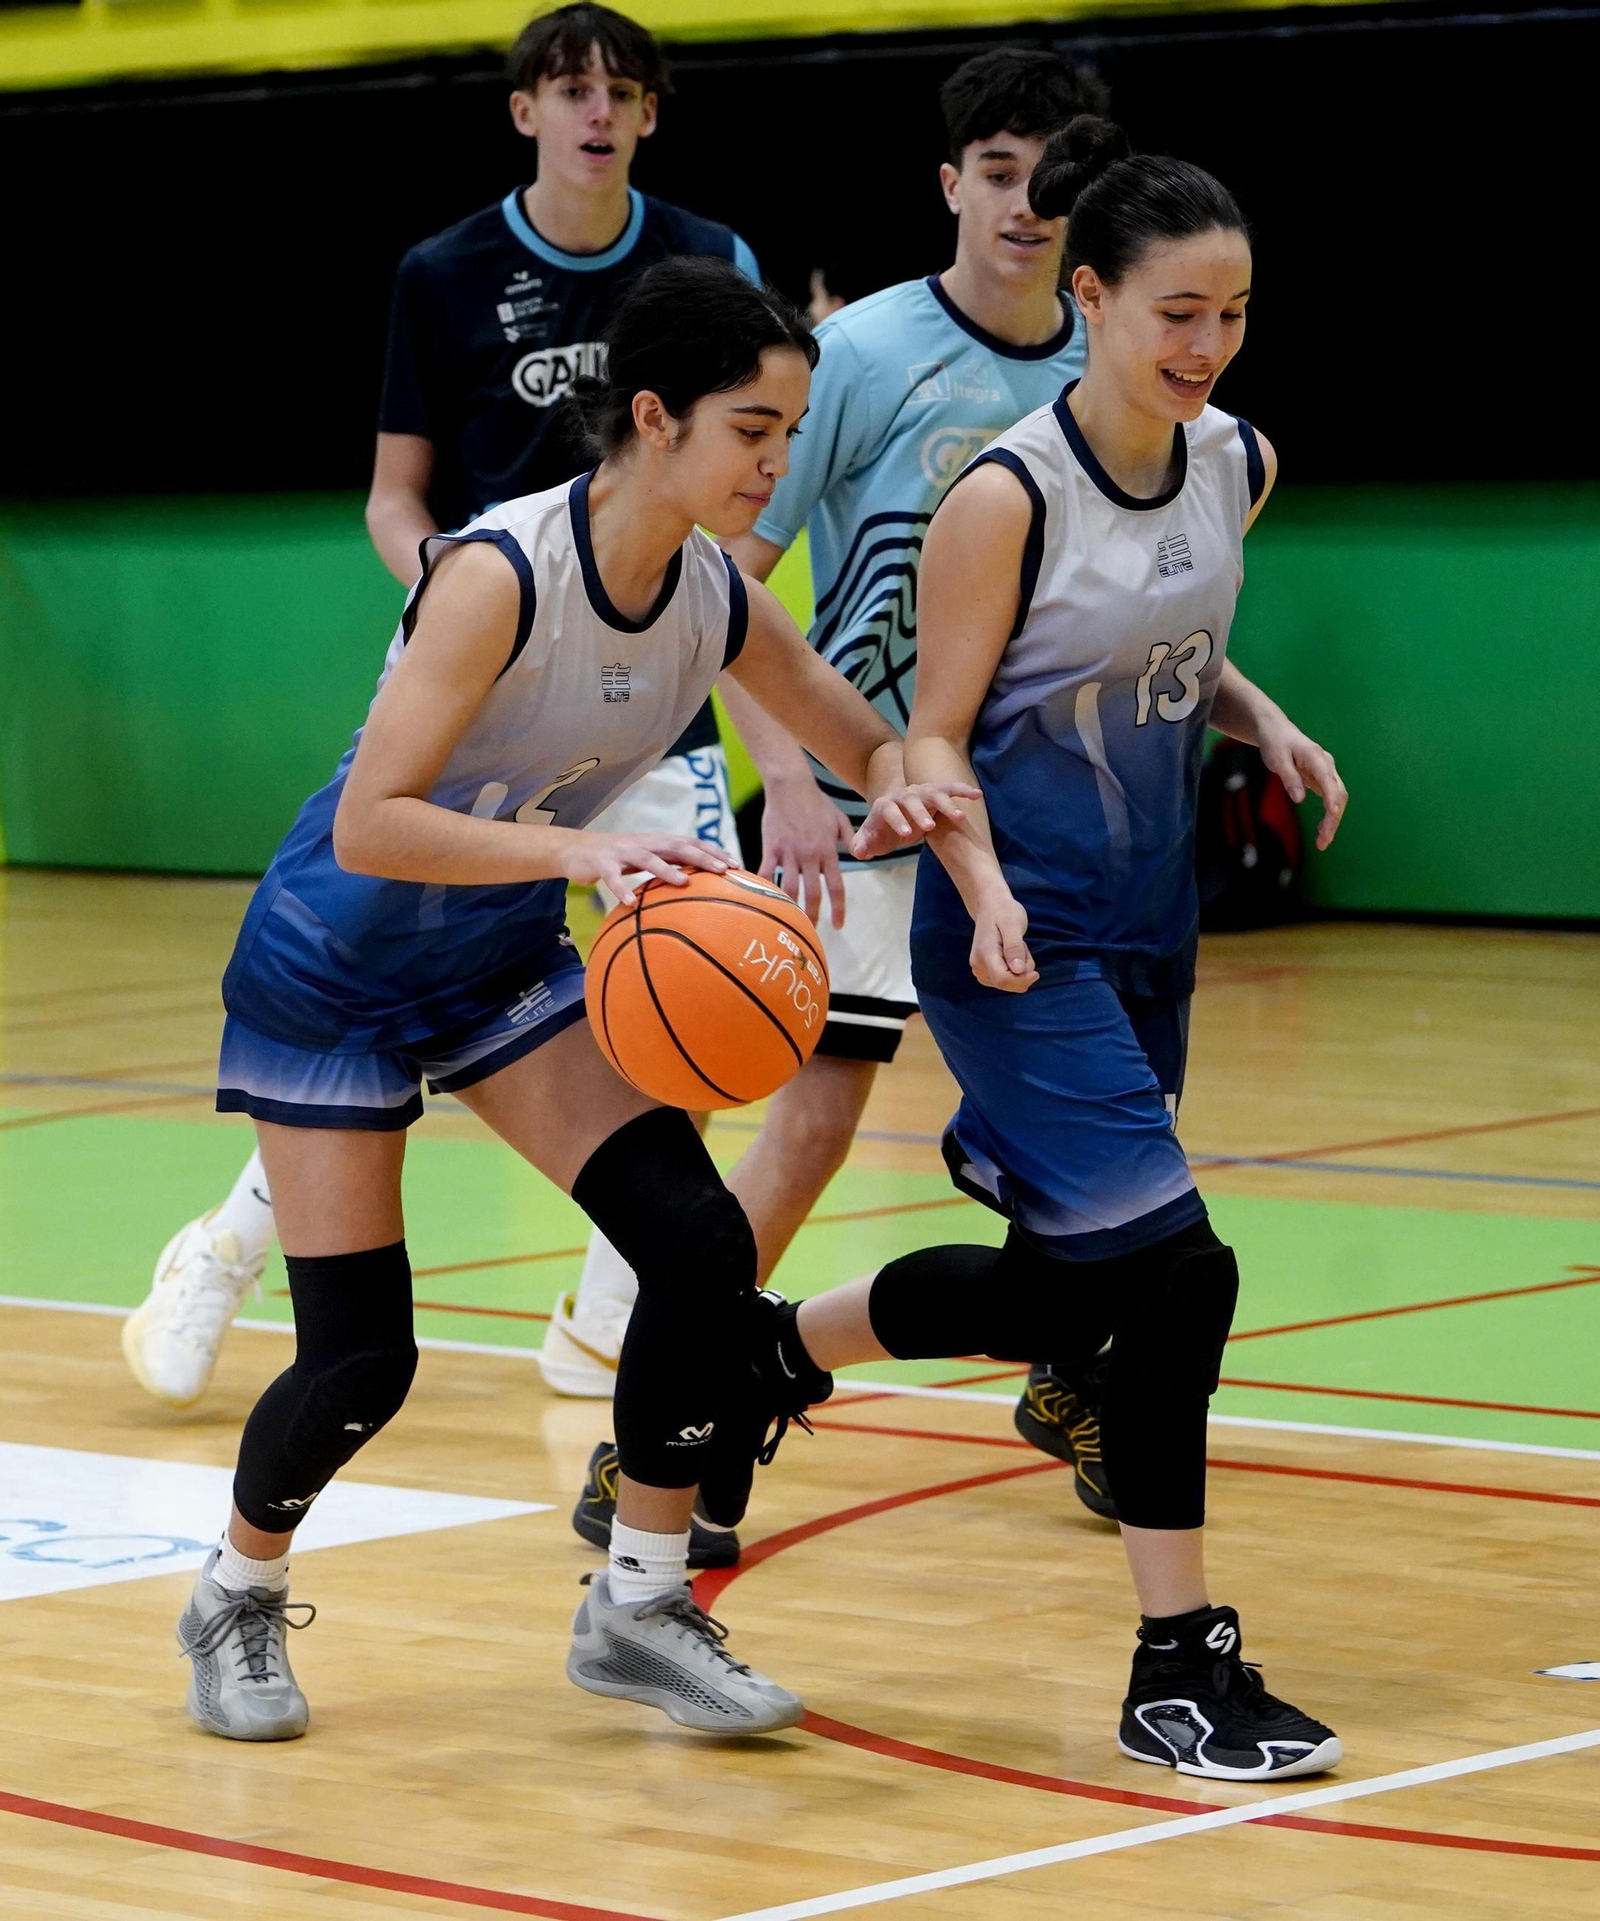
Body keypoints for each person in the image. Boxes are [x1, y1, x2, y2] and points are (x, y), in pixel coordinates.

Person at [171, 259, 973, 1745]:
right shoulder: (498, 573)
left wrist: (950, 798)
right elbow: (371, 821)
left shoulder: (718, 592)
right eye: (753, 430)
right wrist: (583, 848)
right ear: (654, 419)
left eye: (790, 433)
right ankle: (233, 1588)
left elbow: (869, 742)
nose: (776, 465)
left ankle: (642, 1601)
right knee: (364, 1359)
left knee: (702, 1243)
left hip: (489, 962)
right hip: (330, 971)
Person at [714, 118, 1351, 1781]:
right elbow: (931, 740)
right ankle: (1177, 1664)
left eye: (1232, 312)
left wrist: (1265, 719)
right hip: (1016, 931)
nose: (1207, 346)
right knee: (1183, 1275)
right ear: (1090, 300)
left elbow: (1169, 642)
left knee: (1077, 1290)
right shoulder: (1005, 492)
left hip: (1151, 925)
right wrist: (983, 895)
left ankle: (764, 1351)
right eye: (1175, 314)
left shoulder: (1234, 458)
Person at [122, 2, 757, 1420]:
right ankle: (232, 1241)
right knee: (385, 968)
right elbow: (394, 495)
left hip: (648, 686)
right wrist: (467, 601)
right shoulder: (446, 270)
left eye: (622, 89)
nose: (597, 110)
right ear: (523, 110)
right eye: (568, 87)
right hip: (490, 666)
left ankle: (602, 1329)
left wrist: (781, 717)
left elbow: (750, 511)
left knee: (691, 977)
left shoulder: (710, 261)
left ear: (653, 112)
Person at [569, 46, 1125, 1547]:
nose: (1025, 204)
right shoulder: (867, 356)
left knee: (1103, 1117)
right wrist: (795, 775)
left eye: (1052, 175)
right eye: (998, 172)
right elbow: (723, 579)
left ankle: (1078, 1372)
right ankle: (670, 1409)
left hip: (1041, 804)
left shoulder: (1113, 355)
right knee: (813, 1125)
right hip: (868, 796)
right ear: (953, 185)